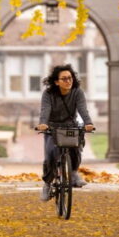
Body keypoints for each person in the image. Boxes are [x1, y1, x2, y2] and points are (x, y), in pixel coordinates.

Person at [35, 64, 95, 202]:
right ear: (56, 82)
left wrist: (88, 123)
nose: (68, 81)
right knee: (50, 154)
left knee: (76, 148)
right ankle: (48, 184)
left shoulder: (77, 92)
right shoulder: (48, 94)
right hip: (52, 128)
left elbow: (82, 109)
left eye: (70, 78)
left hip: (70, 126)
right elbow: (45, 109)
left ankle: (73, 173)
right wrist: (43, 123)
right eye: (64, 79)